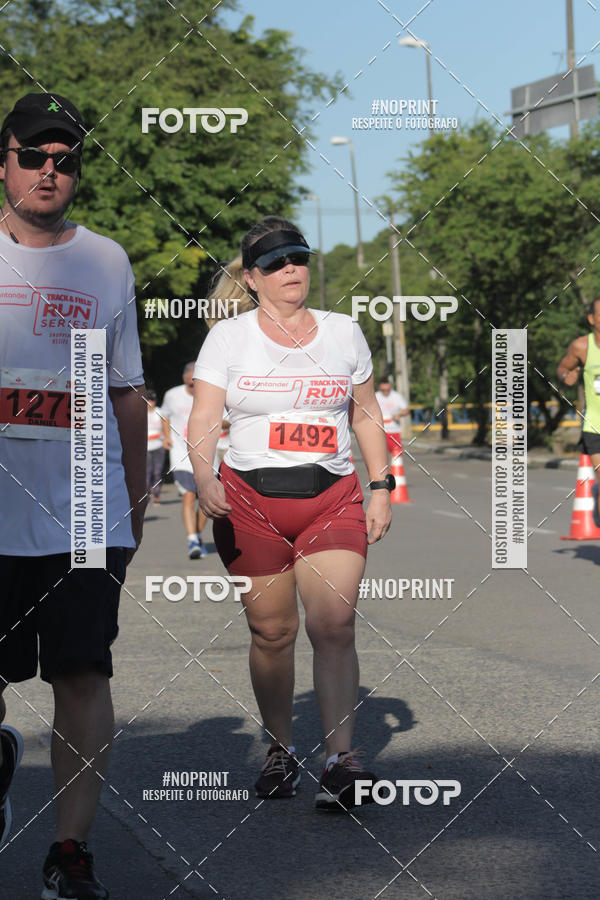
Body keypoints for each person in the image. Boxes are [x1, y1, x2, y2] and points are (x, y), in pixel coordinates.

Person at [188, 216, 394, 810]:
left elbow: (365, 413)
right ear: (251, 278)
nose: (290, 271)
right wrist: (204, 476)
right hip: (248, 505)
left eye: (298, 259)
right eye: (275, 264)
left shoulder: (342, 332)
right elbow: (203, 420)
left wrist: (381, 485)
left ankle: (340, 760)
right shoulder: (229, 340)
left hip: (332, 498)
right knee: (273, 633)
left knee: (333, 626)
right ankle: (280, 747)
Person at [0, 93, 146, 898]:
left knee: (85, 675)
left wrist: (130, 502)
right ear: (5, 163)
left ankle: (69, 852)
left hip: (86, 513)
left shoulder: (106, 261)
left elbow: (126, 390)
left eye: (66, 159)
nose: (51, 171)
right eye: (35, 155)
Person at [557, 297, 600, 524]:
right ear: (592, 319)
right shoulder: (582, 346)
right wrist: (567, 375)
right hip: (595, 425)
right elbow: (563, 367)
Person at [161, 364, 209, 558]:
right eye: (189, 384)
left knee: (206, 503)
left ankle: (197, 535)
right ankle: (192, 540)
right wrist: (166, 436)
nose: (192, 388)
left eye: (195, 384)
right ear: (184, 379)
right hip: (181, 456)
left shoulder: (210, 394)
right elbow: (164, 416)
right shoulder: (172, 395)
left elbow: (226, 420)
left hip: (207, 457)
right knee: (189, 495)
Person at [375, 377, 409, 460]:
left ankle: (397, 472)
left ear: (390, 387)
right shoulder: (375, 396)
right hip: (379, 431)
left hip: (394, 430)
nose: (386, 392)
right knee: (380, 457)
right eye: (383, 390)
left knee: (397, 456)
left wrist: (399, 414)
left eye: (388, 390)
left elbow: (406, 410)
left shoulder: (396, 396)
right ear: (380, 388)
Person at [146, 389, 165, 503]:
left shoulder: (160, 412)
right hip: (146, 447)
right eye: (148, 400)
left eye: (152, 400)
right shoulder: (140, 412)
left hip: (159, 445)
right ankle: (147, 494)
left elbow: (166, 428)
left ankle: (156, 494)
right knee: (147, 472)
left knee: (157, 472)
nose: (150, 402)